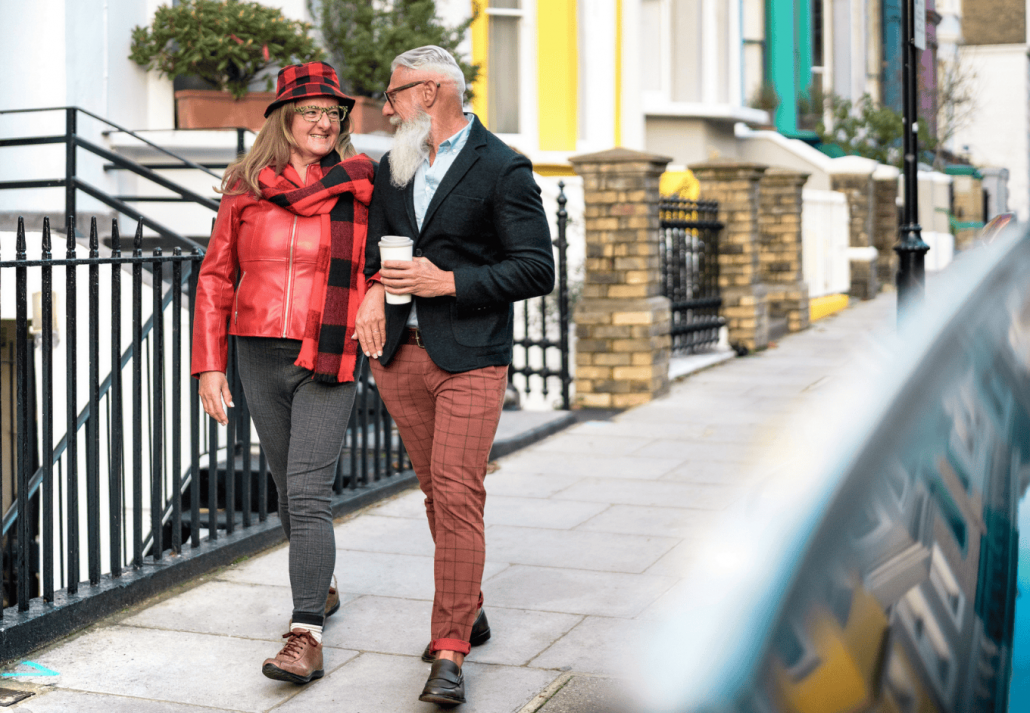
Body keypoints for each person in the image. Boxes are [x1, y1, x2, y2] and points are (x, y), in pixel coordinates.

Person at [353, 46, 555, 706]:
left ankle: (449, 649)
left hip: (471, 353)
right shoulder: (394, 164)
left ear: (433, 90)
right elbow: (375, 253)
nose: (387, 107)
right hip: (401, 357)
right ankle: (470, 603)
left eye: (395, 94)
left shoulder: (502, 167)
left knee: (457, 489)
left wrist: (451, 282)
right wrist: (372, 293)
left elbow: (535, 268)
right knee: (435, 493)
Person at [191, 62, 375, 685]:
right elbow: (216, 277)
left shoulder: (362, 182)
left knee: (307, 491)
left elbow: (378, 263)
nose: (325, 122)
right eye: (312, 111)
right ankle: (318, 585)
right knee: (285, 488)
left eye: (334, 112)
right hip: (256, 353)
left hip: (327, 351)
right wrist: (209, 364)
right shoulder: (245, 186)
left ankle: (305, 633)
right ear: (284, 119)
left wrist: (373, 299)